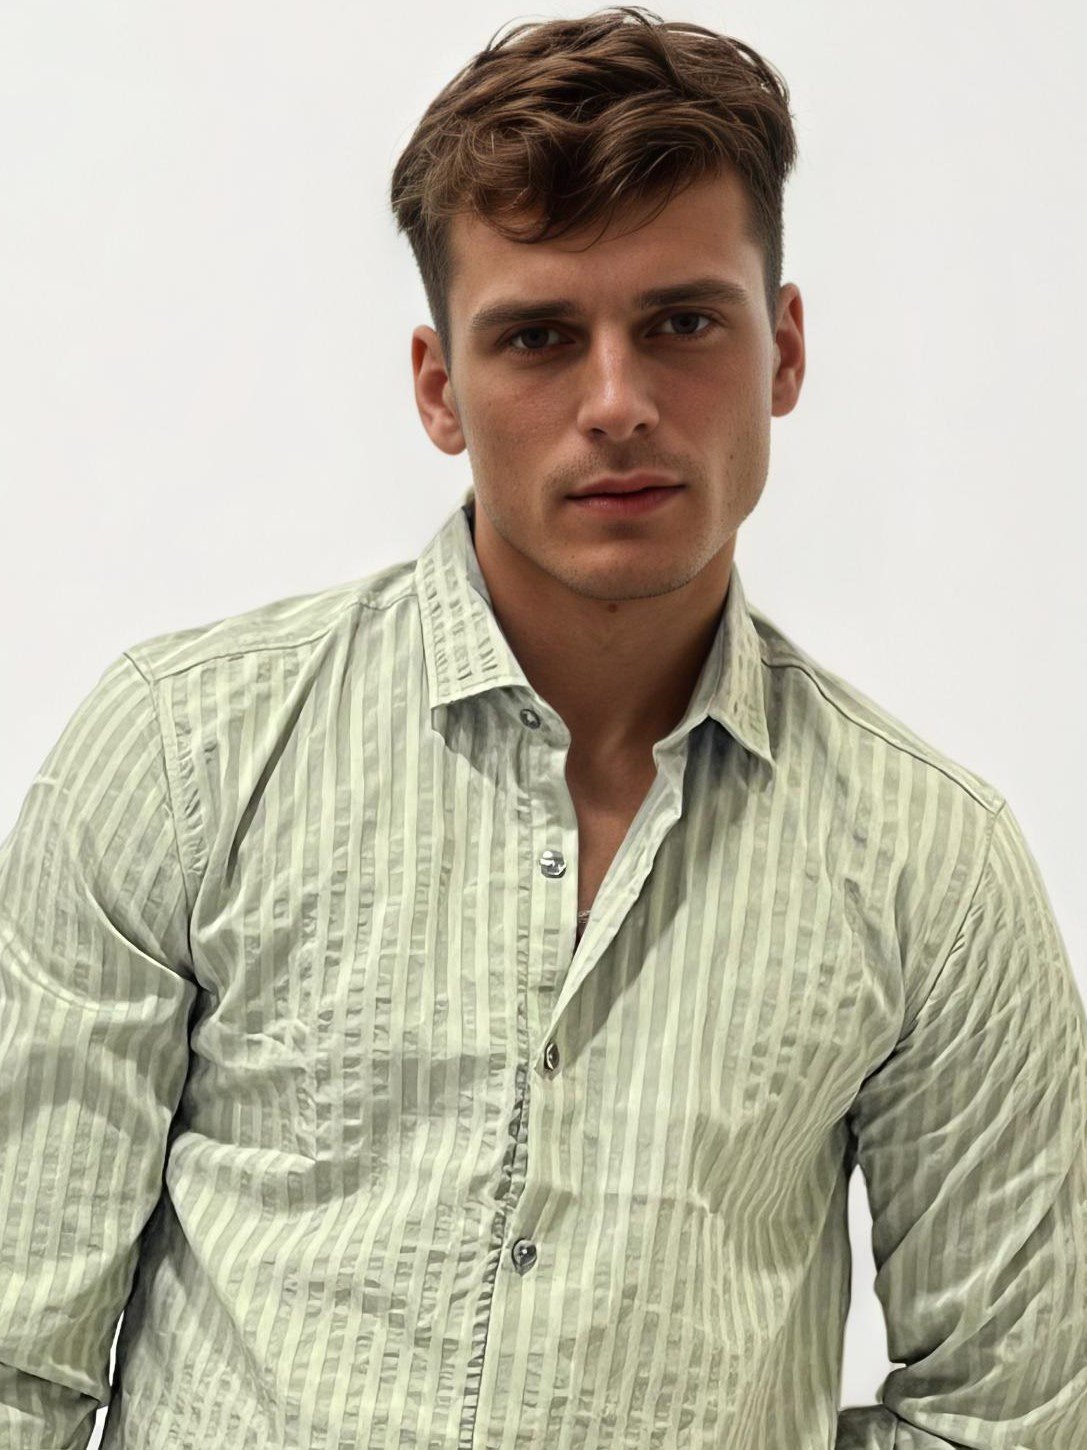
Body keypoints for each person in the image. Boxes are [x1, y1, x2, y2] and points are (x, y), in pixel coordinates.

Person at [1, 6, 1084, 1447]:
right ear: (440, 386)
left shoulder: (932, 867)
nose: (618, 403)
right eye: (539, 337)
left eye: (683, 322)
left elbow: (1009, 1412)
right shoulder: (181, 759)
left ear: (784, 351)